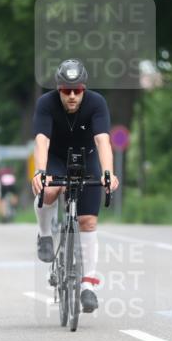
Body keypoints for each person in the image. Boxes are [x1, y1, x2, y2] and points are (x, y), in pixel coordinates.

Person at [30, 59, 120, 314]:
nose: (71, 96)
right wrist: (40, 172)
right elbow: (41, 141)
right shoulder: (45, 104)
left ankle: (88, 284)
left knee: (88, 221)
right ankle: (45, 234)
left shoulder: (97, 103)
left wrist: (107, 173)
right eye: (66, 91)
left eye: (77, 90)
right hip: (56, 158)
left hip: (87, 155)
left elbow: (103, 141)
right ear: (58, 89)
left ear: (84, 89)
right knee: (49, 189)